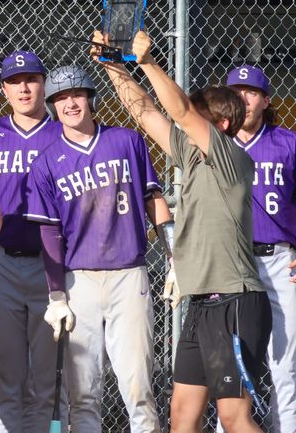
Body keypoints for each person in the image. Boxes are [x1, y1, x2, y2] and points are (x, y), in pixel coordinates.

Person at [94, 30, 271, 432]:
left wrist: (148, 62)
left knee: (233, 416)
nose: (185, 121)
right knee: (181, 417)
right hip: (201, 306)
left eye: (196, 115)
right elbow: (146, 113)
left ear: (221, 123)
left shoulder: (231, 157)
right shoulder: (192, 157)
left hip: (235, 302)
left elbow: (176, 112)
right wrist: (112, 66)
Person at [25, 65, 164, 432]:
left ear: (90, 98)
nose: (70, 103)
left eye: (77, 94)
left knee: (138, 388)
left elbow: (153, 200)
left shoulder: (127, 141)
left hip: (128, 274)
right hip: (79, 280)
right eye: (60, 97)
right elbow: (50, 235)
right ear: (52, 106)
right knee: (83, 395)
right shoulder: (45, 163)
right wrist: (56, 295)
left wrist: (174, 253)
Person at [0, 50, 65, 432]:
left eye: (32, 79)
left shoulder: (62, 133)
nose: (24, 88)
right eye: (14, 81)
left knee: (44, 382)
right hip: (1, 264)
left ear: (44, 84)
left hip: (50, 265)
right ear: (3, 89)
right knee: (3, 379)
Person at [225, 65, 296, 432]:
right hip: (230, 263)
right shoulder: (214, 143)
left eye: (252, 92)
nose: (244, 99)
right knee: (231, 370)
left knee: (285, 367)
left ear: (266, 101)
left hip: (279, 261)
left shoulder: (291, 143)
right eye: (237, 92)